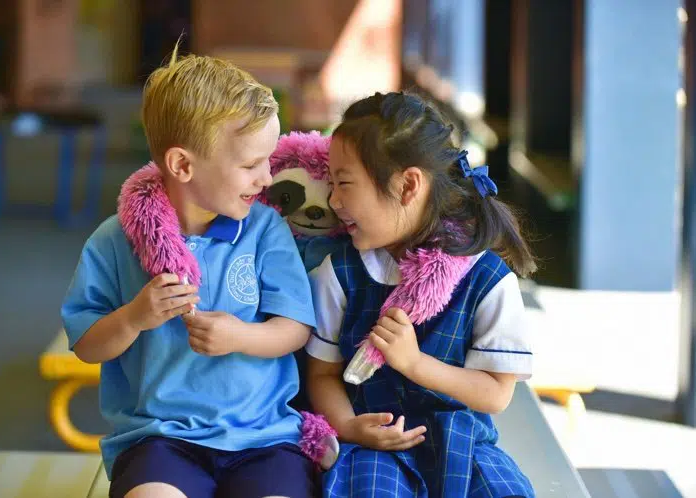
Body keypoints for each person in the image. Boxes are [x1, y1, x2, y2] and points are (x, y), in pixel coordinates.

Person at [61, 43, 317, 498]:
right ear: (182, 164)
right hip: (159, 441)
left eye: (269, 161)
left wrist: (241, 336)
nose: (267, 179)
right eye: (250, 164)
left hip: (264, 439)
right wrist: (133, 318)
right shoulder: (112, 240)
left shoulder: (264, 229)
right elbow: (86, 346)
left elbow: (295, 328)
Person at [305, 91, 537, 497]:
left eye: (344, 183)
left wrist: (414, 363)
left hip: (466, 446)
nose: (333, 200)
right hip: (376, 447)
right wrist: (348, 427)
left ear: (408, 185)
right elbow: (322, 374)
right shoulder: (339, 272)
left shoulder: (487, 278)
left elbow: (496, 393)